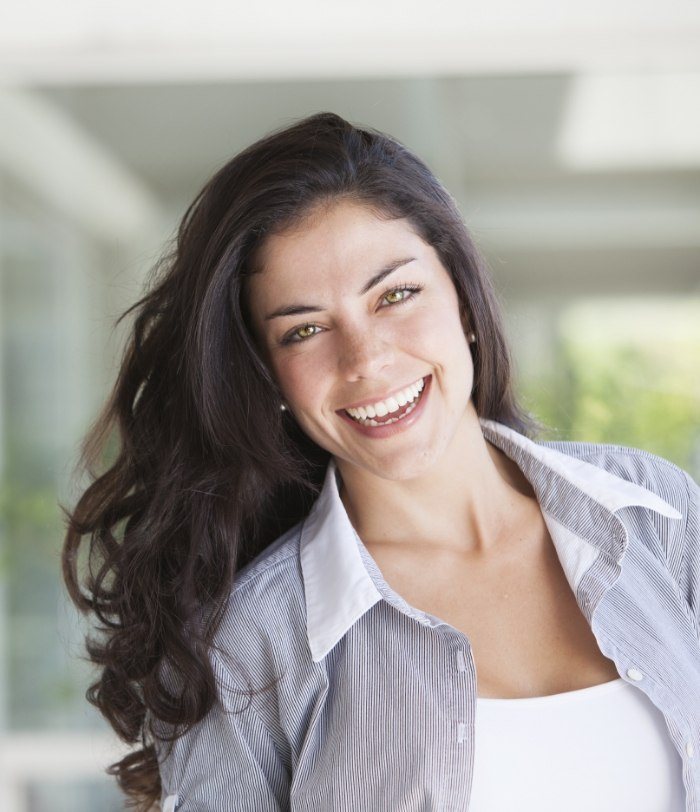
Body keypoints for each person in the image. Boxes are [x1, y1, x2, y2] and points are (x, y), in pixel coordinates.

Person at [62, 112, 700, 812]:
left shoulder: (654, 514)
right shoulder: (254, 649)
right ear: (267, 376)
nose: (365, 360)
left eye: (395, 294)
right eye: (304, 329)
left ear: (462, 299)